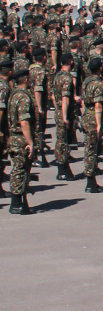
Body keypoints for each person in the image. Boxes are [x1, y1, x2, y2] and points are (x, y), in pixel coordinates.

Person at [6, 67, 35, 214]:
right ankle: (16, 203)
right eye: (29, 77)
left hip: (13, 136)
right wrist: (30, 142)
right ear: (24, 79)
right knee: (20, 170)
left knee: (19, 170)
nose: (31, 79)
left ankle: (18, 202)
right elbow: (24, 121)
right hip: (20, 138)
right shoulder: (23, 97)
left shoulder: (14, 94)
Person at [81, 56, 103, 192]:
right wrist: (99, 125)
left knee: (89, 148)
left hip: (86, 115)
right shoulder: (97, 84)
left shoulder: (86, 81)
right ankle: (90, 181)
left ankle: (91, 178)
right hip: (92, 118)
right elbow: (98, 105)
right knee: (91, 150)